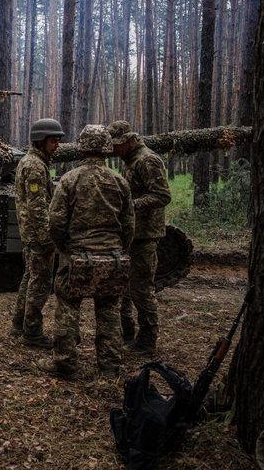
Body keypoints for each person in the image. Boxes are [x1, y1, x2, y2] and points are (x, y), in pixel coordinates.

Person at [37, 124, 135, 380]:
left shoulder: (70, 179)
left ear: (81, 147)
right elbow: (129, 224)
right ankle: (110, 367)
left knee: (68, 309)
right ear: (106, 149)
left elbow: (56, 222)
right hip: (112, 258)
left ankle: (65, 363)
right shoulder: (119, 181)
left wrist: (65, 248)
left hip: (77, 257)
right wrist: (118, 249)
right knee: (109, 312)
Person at [109, 120, 172, 357]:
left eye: (116, 145)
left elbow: (161, 195)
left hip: (145, 235)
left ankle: (147, 340)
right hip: (133, 233)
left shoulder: (147, 160)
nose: (114, 149)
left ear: (128, 140)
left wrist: (129, 206)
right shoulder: (131, 160)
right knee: (126, 286)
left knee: (142, 288)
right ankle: (128, 333)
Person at [10, 118, 65, 348]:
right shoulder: (33, 165)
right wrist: (46, 236)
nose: (57, 145)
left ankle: (19, 323)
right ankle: (31, 332)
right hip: (37, 235)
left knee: (30, 278)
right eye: (54, 140)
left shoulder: (35, 162)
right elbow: (37, 206)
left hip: (33, 233)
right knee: (40, 282)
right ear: (41, 140)